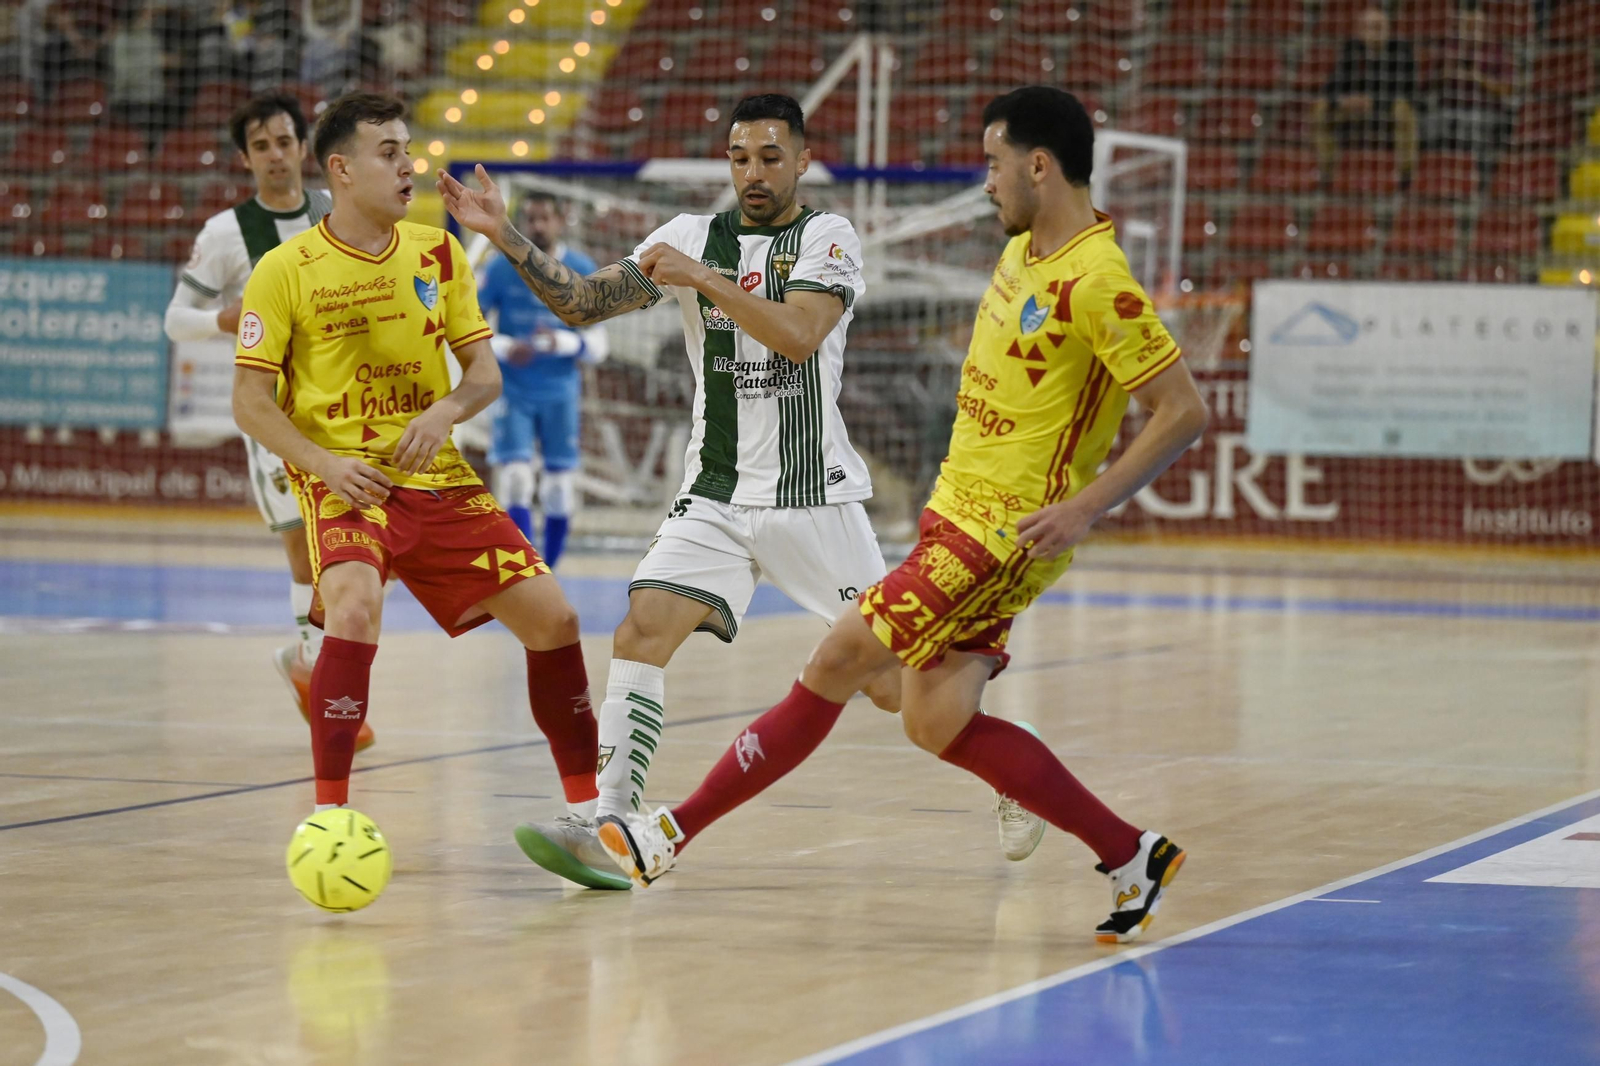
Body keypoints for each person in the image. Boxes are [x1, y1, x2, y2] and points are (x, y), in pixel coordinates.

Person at [593, 87, 1209, 945]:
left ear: (1038, 165)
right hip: (956, 514)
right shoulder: (1027, 246)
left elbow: (1183, 411)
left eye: (994, 165)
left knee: (839, 657)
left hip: (1000, 536)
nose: (985, 183)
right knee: (931, 719)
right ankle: (1130, 852)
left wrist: (1083, 508)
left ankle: (664, 835)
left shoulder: (1098, 280)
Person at [438, 92, 1046, 891]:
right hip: (715, 494)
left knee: (896, 687)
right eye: (739, 158)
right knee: (640, 631)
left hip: (813, 501)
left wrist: (700, 279)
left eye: (768, 157)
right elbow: (583, 304)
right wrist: (503, 235)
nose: (752, 173)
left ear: (800, 159)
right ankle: (610, 823)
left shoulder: (827, 238)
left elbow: (797, 336)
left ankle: (1015, 778)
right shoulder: (686, 236)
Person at [231, 93, 605, 848]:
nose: (409, 166)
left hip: (437, 474)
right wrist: (324, 466)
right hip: (343, 477)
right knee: (354, 607)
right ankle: (330, 819)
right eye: (390, 153)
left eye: (408, 149)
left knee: (555, 619)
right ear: (340, 169)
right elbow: (250, 402)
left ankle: (591, 818)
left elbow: (484, 377)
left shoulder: (436, 251)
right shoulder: (283, 269)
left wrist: (444, 415)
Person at [164, 91, 380, 751]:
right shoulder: (227, 234)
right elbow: (176, 321)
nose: (277, 155)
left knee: (360, 552)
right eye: (263, 146)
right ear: (246, 157)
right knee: (303, 547)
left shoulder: (333, 212)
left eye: (286, 142)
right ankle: (316, 675)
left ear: (304, 148)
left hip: (349, 407)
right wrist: (225, 319)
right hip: (276, 413)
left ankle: (309, 664)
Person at [476, 192, 610, 567]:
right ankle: (526, 569)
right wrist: (504, 348)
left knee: (558, 488)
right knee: (516, 480)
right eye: (530, 219)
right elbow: (469, 326)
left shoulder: (582, 267)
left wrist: (563, 341)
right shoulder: (501, 268)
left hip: (561, 394)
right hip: (514, 391)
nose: (538, 226)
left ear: (560, 220)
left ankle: (549, 569)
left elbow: (600, 346)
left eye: (544, 218)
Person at [1312, 4, 1418, 190]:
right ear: (1361, 30)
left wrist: (1374, 102)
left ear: (1388, 29)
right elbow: (1331, 86)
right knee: (1320, 108)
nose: (1375, 33)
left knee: (1404, 110)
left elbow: (1408, 89)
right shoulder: (1351, 49)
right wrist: (1342, 101)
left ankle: (1405, 177)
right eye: (1371, 27)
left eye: (1379, 27)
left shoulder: (1401, 50)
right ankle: (1326, 175)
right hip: (1354, 112)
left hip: (1387, 112)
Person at [1426, 5, 1511, 182]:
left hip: (1486, 112)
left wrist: (1479, 78)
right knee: (1431, 122)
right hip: (1448, 109)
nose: (1471, 31)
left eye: (1476, 27)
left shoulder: (1497, 52)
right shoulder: (1450, 50)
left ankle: (1481, 181)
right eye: (1468, 26)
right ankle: (1435, 177)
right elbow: (1428, 82)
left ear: (1484, 28)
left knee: (1473, 126)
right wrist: (1448, 74)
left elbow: (1507, 89)